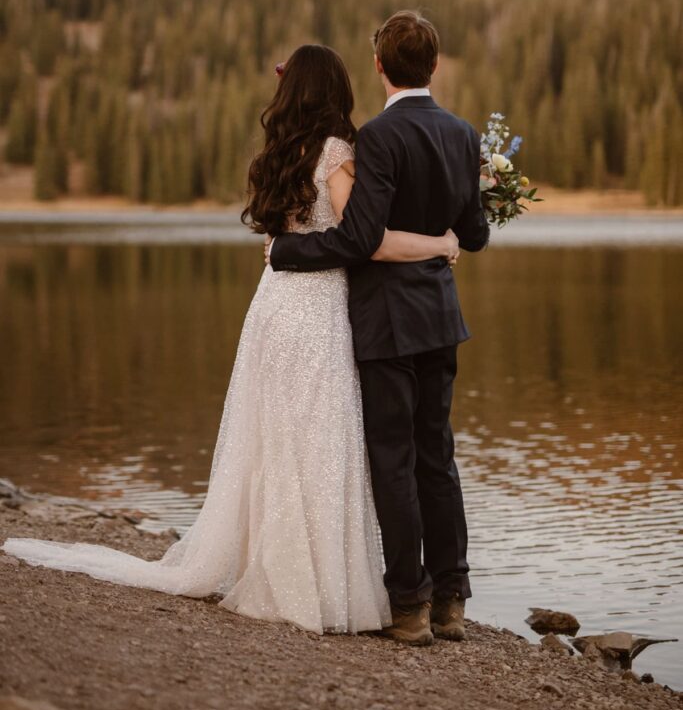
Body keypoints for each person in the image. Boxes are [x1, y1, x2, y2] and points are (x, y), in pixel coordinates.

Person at [2, 43, 458, 636]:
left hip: (272, 306)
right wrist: (439, 244)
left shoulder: (279, 152)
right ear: (337, 90)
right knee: (319, 440)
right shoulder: (338, 152)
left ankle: (276, 567)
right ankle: (317, 584)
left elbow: (289, 238)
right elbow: (362, 242)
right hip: (316, 310)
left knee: (277, 439)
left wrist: (290, 251)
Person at [268, 10, 489, 646]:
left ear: (378, 66)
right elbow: (472, 235)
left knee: (393, 462)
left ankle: (409, 607)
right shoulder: (462, 131)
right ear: (436, 65)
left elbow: (361, 238)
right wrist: (451, 228)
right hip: (442, 319)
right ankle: (452, 601)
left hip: (387, 323)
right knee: (437, 457)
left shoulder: (379, 138)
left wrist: (286, 252)